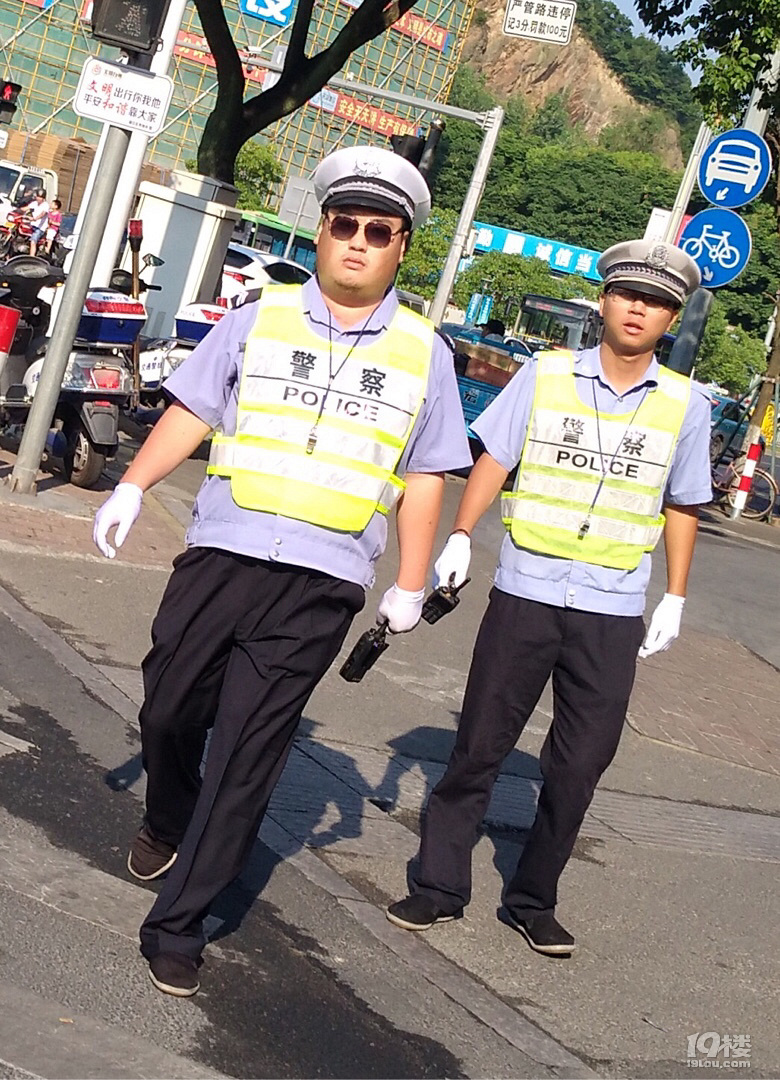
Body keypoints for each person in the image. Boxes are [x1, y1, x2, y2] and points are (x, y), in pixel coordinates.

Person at [92, 144, 472, 997]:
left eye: (380, 231)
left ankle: (180, 924)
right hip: (222, 555)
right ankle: (166, 812)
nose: (359, 243)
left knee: (250, 757)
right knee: (166, 709)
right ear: (323, 229)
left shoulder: (425, 354)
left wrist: (410, 581)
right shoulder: (256, 318)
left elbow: (426, 477)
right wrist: (132, 482)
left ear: (402, 246)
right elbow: (194, 408)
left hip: (321, 583)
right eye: (346, 225)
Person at [387, 239, 712, 957]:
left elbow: (684, 502)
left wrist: (676, 595)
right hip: (527, 591)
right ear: (604, 301)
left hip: (613, 607)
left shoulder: (687, 407)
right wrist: (462, 533)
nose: (638, 309)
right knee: (478, 746)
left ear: (672, 318)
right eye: (628, 293)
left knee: (580, 763)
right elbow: (496, 455)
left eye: (655, 302)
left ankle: (533, 899)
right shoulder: (548, 374)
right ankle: (438, 885)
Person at [23, 188, 49, 257]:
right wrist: (17, 210)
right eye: (38, 196)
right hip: (32, 225)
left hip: (40, 228)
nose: (39, 198)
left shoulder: (46, 205)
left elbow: (42, 214)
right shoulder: (34, 203)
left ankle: (32, 257)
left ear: (43, 198)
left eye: (41, 197)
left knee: (33, 241)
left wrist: (35, 218)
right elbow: (26, 208)